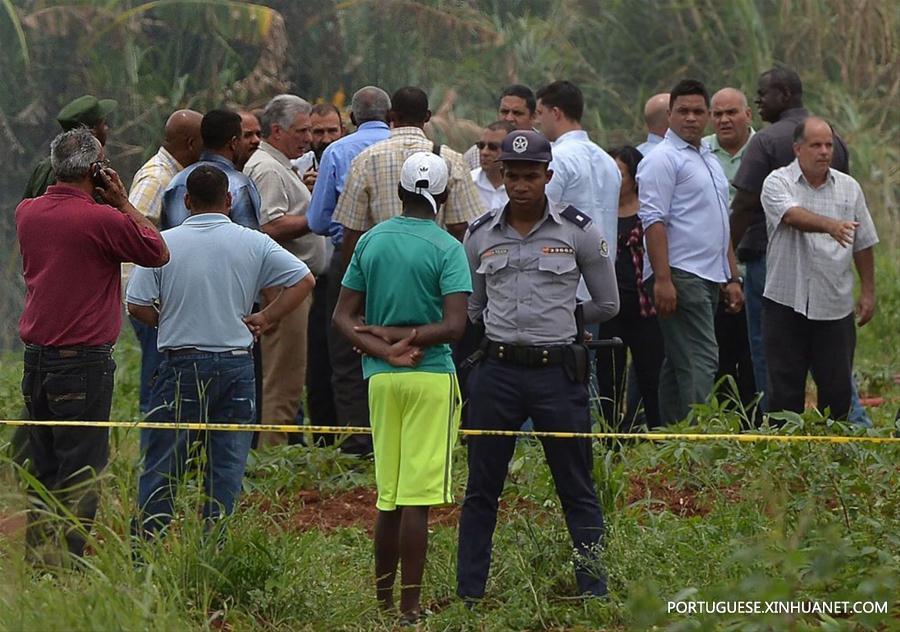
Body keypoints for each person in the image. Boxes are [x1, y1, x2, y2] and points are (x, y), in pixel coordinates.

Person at [457, 130, 618, 602]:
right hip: (498, 371)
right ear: (501, 175)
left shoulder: (579, 230)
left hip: (556, 373)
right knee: (482, 488)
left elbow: (606, 303)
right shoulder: (480, 232)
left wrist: (565, 317)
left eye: (531, 176)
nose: (521, 185)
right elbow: (473, 307)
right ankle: (470, 594)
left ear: (548, 175)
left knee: (576, 485)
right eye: (513, 175)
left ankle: (593, 590)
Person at [127, 165, 315, 537]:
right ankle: (215, 546)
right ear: (229, 200)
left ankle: (145, 551)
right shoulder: (253, 241)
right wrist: (266, 317)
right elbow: (303, 280)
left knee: (164, 464)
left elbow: (136, 304)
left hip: (180, 364)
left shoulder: (164, 243)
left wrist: (168, 322)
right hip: (235, 367)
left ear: (186, 201)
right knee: (227, 466)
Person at [16, 128, 169, 564]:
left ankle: (37, 560)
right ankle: (68, 563)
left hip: (37, 362)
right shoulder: (102, 220)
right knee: (82, 470)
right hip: (82, 364)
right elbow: (156, 250)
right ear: (96, 170)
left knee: (43, 466)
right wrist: (122, 201)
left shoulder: (27, 212)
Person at [333, 152, 470, 623]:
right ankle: (411, 610)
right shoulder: (448, 248)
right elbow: (454, 326)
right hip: (431, 378)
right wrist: (409, 339)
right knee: (418, 498)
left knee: (388, 497)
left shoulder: (371, 240)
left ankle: (383, 604)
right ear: (445, 195)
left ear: (401, 193)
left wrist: (384, 346)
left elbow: (342, 317)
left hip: (382, 382)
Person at [332, 86, 483, 452]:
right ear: (428, 117)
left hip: (377, 277)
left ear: (390, 119)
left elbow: (349, 232)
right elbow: (468, 228)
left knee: (360, 359)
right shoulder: (451, 160)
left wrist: (361, 284)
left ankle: (362, 441)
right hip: (439, 279)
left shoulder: (366, 158)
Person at [730, 68, 850, 412]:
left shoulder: (765, 141)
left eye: (762, 94)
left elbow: (743, 206)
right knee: (832, 358)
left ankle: (780, 429)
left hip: (774, 264)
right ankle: (847, 425)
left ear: (783, 94)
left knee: (773, 353)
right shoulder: (834, 139)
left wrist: (726, 260)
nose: (758, 102)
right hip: (828, 263)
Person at [636, 79, 744, 426]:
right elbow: (653, 220)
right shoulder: (662, 159)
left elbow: (719, 220)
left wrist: (732, 276)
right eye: (683, 111)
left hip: (709, 273)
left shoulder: (707, 158)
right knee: (701, 356)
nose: (692, 118)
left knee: (679, 357)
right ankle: (700, 439)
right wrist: (663, 278)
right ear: (669, 115)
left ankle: (671, 435)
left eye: (699, 111)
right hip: (682, 273)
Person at [760, 117, 877, 420]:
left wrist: (868, 290)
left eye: (828, 145)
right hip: (786, 301)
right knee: (784, 389)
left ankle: (834, 457)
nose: (824, 152)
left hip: (834, 304)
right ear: (797, 148)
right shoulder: (777, 181)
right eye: (816, 145)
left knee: (837, 389)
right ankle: (783, 455)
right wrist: (831, 226)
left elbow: (863, 242)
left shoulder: (849, 188)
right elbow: (791, 216)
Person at [306, 85, 392, 452]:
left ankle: (359, 440)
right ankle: (395, 435)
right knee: (399, 339)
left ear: (352, 120)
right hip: (404, 260)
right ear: (390, 117)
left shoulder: (339, 152)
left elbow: (319, 219)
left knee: (345, 349)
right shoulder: (416, 149)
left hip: (352, 258)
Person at [244, 95, 327, 446]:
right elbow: (268, 226)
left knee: (290, 374)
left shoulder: (279, 165)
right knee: (283, 376)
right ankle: (272, 455)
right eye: (302, 130)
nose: (308, 138)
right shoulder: (266, 168)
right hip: (283, 286)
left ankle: (276, 449)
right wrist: (315, 218)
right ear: (277, 130)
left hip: (294, 285)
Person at [126, 109, 203, 415]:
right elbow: (134, 231)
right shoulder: (158, 178)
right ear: (191, 142)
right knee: (158, 385)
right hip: (153, 300)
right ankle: (154, 457)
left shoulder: (175, 176)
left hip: (161, 298)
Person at [594, 146, 663, 429]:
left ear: (634, 177)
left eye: (618, 173)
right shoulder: (600, 212)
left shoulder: (649, 211)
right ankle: (610, 437)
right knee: (609, 378)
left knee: (652, 375)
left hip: (646, 307)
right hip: (611, 308)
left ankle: (657, 433)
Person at [702, 88, 757, 409]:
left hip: (756, 270)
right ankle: (723, 421)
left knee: (754, 352)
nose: (724, 120)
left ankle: (755, 420)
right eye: (718, 114)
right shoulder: (701, 152)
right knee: (718, 355)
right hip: (713, 272)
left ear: (748, 115)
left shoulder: (762, 150)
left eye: (732, 112)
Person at [535, 80, 621, 245]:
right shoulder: (608, 161)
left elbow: (540, 214)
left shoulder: (556, 158)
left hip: (566, 264)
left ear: (555, 113)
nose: (537, 121)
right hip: (604, 263)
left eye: (540, 113)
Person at [161, 109, 261, 230]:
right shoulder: (239, 184)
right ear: (233, 143)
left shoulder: (176, 181)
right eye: (242, 138)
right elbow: (249, 240)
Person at [22, 95, 117, 199]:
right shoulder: (93, 172)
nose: (107, 128)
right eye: (103, 124)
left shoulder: (44, 168)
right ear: (93, 129)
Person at [463, 84, 537, 169]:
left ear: (533, 117)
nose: (509, 118)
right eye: (504, 112)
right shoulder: (476, 154)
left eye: (517, 113)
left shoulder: (547, 150)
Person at [293, 102, 344, 191]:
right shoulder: (296, 169)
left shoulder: (356, 165)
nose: (326, 139)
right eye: (319, 132)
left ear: (342, 131)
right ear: (308, 133)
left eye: (332, 131)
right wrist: (303, 192)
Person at [469, 120, 514, 213]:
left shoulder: (521, 187)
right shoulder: (467, 183)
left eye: (493, 147)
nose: (484, 152)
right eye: (481, 146)